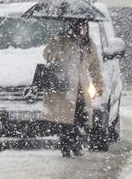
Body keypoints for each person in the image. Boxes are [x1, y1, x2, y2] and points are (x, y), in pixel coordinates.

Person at [42, 19, 104, 157]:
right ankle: (66, 145)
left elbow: (95, 67)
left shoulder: (89, 45)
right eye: (79, 27)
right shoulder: (61, 40)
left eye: (84, 27)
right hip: (65, 86)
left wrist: (98, 84)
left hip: (82, 88)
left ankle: (76, 144)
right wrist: (57, 52)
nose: (81, 31)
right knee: (65, 120)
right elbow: (46, 54)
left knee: (80, 118)